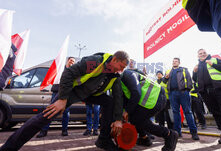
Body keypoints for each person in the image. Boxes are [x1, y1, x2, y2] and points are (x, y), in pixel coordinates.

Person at [0, 51, 129, 151]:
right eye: (121, 66)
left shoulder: (116, 76)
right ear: (114, 59)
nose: (121, 70)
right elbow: (68, 74)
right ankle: (9, 147)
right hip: (72, 91)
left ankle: (103, 140)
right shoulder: (95, 62)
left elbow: (118, 97)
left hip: (90, 94)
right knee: (46, 116)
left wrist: (118, 119)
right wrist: (62, 99)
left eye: (124, 68)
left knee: (110, 102)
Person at [121, 69, 178, 151]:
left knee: (137, 119)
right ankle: (144, 138)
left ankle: (169, 134)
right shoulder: (119, 83)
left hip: (156, 98)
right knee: (134, 118)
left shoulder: (127, 74)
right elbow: (125, 101)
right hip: (150, 100)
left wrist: (126, 112)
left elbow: (136, 93)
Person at [36, 57, 76, 138]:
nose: (72, 62)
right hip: (57, 91)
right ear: (67, 61)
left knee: (66, 113)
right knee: (51, 111)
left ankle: (64, 130)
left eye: (73, 61)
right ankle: (44, 130)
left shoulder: (74, 71)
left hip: (67, 93)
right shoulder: (60, 68)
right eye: (71, 60)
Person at [165, 58, 199, 140]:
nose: (174, 62)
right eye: (173, 61)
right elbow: (164, 81)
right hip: (172, 93)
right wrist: (166, 78)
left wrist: (187, 90)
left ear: (179, 63)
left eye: (176, 61)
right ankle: (177, 132)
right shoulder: (168, 71)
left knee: (187, 111)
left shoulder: (184, 70)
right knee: (175, 112)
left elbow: (190, 80)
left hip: (183, 93)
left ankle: (193, 132)